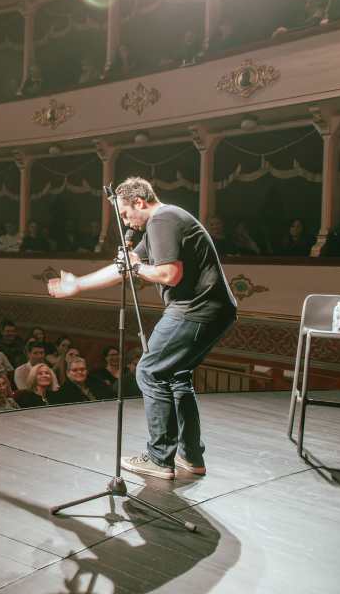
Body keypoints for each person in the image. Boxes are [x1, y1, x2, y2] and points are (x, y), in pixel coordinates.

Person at [48, 176, 237, 480]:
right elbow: (124, 266)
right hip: (212, 310)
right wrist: (79, 284)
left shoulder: (163, 220)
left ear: (139, 202)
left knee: (148, 370)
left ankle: (160, 458)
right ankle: (191, 456)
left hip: (195, 310)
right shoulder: (166, 220)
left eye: (124, 214)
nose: (126, 223)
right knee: (176, 376)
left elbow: (169, 274)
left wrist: (136, 267)